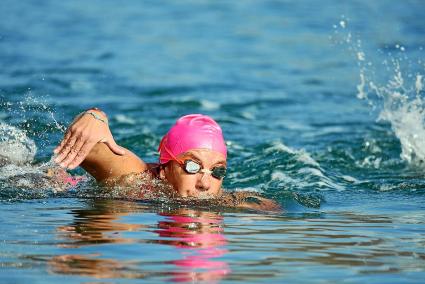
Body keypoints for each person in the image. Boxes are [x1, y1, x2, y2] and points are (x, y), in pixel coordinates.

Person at [53, 108, 281, 211]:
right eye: (192, 167)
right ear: (165, 168)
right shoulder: (133, 177)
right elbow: (88, 144)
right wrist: (94, 116)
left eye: (217, 171)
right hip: (58, 184)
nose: (205, 183)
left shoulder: (225, 200)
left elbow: (273, 207)